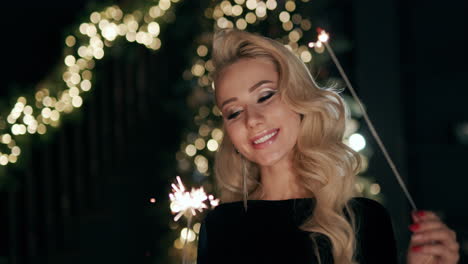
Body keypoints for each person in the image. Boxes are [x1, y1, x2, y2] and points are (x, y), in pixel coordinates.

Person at [196, 29, 459, 264]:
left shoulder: (364, 219)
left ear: (298, 98)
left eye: (265, 96)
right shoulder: (220, 226)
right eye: (233, 112)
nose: (252, 120)